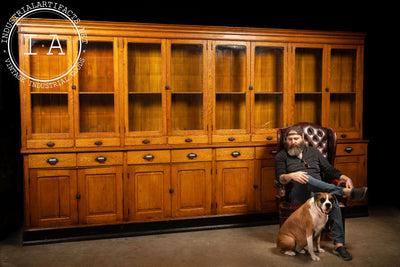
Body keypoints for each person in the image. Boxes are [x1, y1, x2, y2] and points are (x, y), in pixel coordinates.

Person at [275, 125, 367, 261]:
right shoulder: (282, 156)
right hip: (298, 193)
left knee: (330, 201)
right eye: (289, 139)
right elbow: (280, 178)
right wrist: (291, 176)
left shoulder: (313, 152)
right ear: (285, 141)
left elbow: (330, 170)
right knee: (306, 178)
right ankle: (344, 192)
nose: (293, 141)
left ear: (302, 139)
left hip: (318, 193)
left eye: (296, 138)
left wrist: (346, 178)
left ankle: (339, 244)